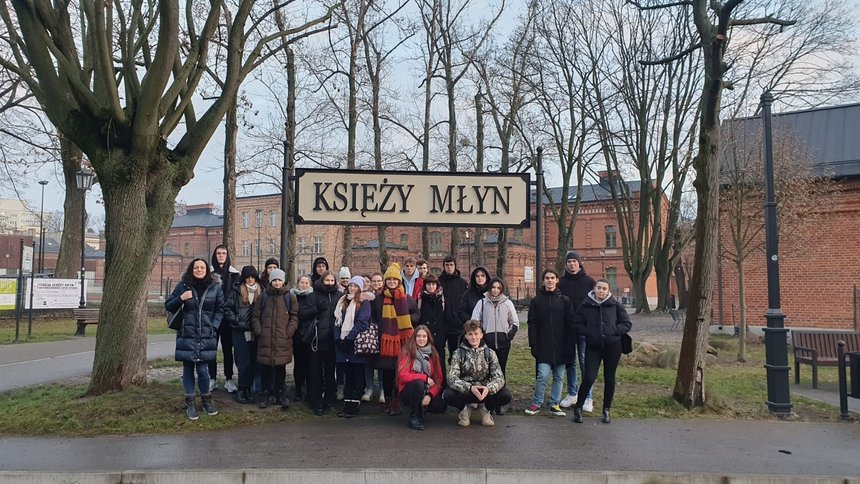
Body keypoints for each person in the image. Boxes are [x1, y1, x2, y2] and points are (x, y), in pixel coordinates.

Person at [166, 258, 224, 421]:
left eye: (202, 267)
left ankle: (206, 400)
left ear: (207, 270)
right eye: (196, 267)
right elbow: (169, 305)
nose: (199, 270)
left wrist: (214, 326)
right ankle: (190, 403)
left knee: (203, 370)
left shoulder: (215, 287)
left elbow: (220, 309)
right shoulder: (182, 286)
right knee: (188, 369)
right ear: (192, 269)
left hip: (206, 333)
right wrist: (181, 298)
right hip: (187, 333)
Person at [572, 279, 632, 424]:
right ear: (594, 289)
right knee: (589, 377)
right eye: (599, 288)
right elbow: (577, 323)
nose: (601, 291)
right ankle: (578, 408)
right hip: (593, 346)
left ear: (608, 290)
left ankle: (606, 409)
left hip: (613, 346)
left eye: (604, 288)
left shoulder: (615, 305)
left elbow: (627, 324)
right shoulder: (586, 304)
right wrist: (588, 332)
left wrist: (614, 331)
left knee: (609, 378)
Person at [443, 320, 512, 427]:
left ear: (481, 335)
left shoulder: (490, 353)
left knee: (505, 395)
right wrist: (470, 388)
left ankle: (485, 410)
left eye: (476, 334)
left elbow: (499, 377)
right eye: (470, 334)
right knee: (448, 394)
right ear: (466, 336)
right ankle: (465, 410)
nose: (473, 337)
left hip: (484, 392)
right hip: (467, 391)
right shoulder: (458, 353)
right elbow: (452, 378)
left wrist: (489, 388)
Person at [525, 269, 574, 417]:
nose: (550, 280)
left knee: (559, 377)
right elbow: (532, 324)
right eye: (547, 278)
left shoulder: (565, 301)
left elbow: (571, 325)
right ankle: (537, 403)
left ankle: (554, 403)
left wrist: (570, 346)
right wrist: (533, 345)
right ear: (543, 281)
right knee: (543, 375)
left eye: (553, 278)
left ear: (557, 280)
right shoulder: (536, 301)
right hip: (543, 346)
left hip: (561, 346)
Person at [377, 262, 420, 415]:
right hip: (386, 343)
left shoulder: (406, 298)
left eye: (395, 280)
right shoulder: (380, 299)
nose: (392, 282)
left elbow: (416, 313)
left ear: (399, 281)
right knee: (388, 374)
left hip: (403, 343)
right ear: (385, 281)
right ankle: (389, 401)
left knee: (400, 373)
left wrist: (407, 319)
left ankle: (399, 400)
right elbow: (375, 318)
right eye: (389, 280)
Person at [252, 268, 299, 410]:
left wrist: (289, 331)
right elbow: (256, 316)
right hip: (266, 339)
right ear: (271, 281)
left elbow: (294, 316)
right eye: (274, 280)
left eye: (279, 280)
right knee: (265, 368)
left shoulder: (289, 297)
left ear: (283, 281)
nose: (277, 282)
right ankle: (266, 394)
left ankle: (280, 393)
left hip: (282, 339)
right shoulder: (263, 296)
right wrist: (259, 331)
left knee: (280, 369)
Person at [557, 250, 597, 411]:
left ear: (579, 263)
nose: (572, 264)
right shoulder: (561, 282)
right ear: (566, 264)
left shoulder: (589, 282)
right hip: (566, 329)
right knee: (570, 362)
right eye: (569, 261)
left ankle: (588, 397)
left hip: (584, 330)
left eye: (574, 261)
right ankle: (572, 393)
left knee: (585, 362)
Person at [334, 276, 375, 417]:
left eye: (355, 286)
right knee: (348, 375)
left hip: (356, 344)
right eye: (351, 285)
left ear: (360, 287)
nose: (352, 288)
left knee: (357, 375)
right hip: (343, 344)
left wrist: (349, 337)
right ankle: (347, 404)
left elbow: (363, 322)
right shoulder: (343, 301)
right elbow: (337, 321)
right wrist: (339, 339)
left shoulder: (364, 302)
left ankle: (354, 405)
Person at [396, 325, 446, 430]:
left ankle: (422, 405)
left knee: (440, 406)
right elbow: (402, 375)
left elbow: (439, 379)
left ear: (428, 338)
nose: (421, 339)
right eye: (418, 336)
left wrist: (429, 395)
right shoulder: (407, 352)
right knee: (418, 383)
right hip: (408, 390)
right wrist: (425, 378)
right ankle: (414, 416)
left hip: (427, 389)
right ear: (414, 337)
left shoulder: (433, 353)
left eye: (424, 336)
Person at [224, 265, 261, 404]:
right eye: (247, 277)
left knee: (254, 361)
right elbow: (227, 308)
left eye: (252, 277)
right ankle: (242, 389)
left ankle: (250, 390)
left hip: (256, 332)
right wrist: (236, 321)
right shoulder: (236, 291)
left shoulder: (261, 291)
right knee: (243, 361)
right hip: (240, 331)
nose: (250, 279)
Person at [307, 270, 342, 415]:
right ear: (322, 281)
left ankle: (329, 400)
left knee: (330, 372)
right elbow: (304, 313)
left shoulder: (339, 296)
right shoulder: (313, 295)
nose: (329, 283)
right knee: (315, 373)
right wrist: (316, 310)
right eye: (327, 281)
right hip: (316, 340)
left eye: (331, 281)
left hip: (332, 340)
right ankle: (316, 401)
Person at [210, 245, 240, 393]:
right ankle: (212, 379)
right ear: (214, 255)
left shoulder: (234, 274)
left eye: (223, 253)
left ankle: (229, 379)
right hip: (211, 318)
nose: (221, 255)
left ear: (227, 255)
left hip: (227, 318)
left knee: (228, 349)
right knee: (211, 349)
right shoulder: (208, 274)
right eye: (218, 253)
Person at [291, 274, 317, 402]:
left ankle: (308, 389)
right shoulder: (293, 296)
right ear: (298, 283)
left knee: (309, 364)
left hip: (310, 334)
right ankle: (298, 389)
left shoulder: (313, 296)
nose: (304, 285)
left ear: (310, 284)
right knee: (298, 364)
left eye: (307, 283)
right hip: (296, 335)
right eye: (302, 282)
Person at [418, 274, 447, 380]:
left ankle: (441, 385)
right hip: (425, 335)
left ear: (437, 286)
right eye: (428, 284)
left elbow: (445, 316)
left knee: (440, 361)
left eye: (433, 284)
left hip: (439, 334)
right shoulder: (421, 298)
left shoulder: (441, 298)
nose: (431, 287)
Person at [438, 255, 468, 361]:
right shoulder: (438, 282)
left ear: (455, 266)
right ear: (444, 266)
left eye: (451, 265)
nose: (449, 267)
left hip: (457, 324)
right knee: (439, 353)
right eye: (447, 265)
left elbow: (465, 303)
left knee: (456, 353)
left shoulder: (462, 283)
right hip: (441, 323)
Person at [362, 272, 385, 403]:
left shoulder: (386, 296)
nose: (376, 284)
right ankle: (369, 388)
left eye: (378, 281)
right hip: (370, 333)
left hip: (383, 331)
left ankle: (382, 389)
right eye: (374, 281)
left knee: (382, 362)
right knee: (369, 361)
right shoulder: (367, 297)